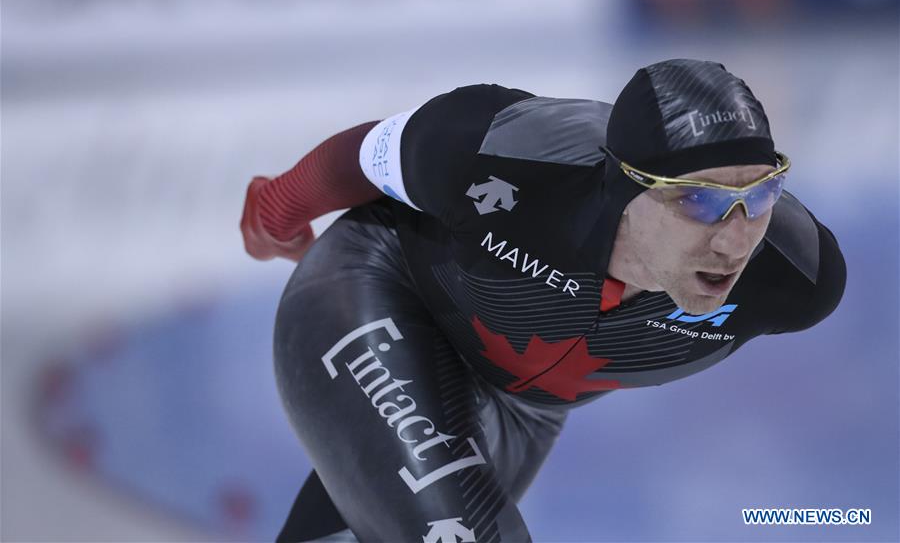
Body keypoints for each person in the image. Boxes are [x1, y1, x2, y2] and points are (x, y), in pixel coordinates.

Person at [241, 59, 846, 542]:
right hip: (382, 289)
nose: (737, 238)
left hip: (520, 408)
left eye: (762, 194)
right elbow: (367, 155)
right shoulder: (504, 153)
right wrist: (275, 214)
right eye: (701, 201)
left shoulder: (796, 278)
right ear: (626, 186)